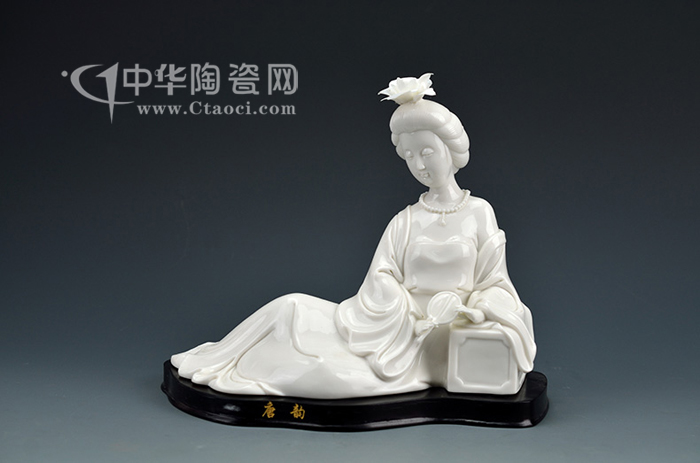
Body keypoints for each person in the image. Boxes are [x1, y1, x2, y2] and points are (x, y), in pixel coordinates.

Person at [171, 74, 536, 399]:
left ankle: (267, 364)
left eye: (427, 152)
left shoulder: (478, 213)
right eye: (409, 156)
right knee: (291, 305)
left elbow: (496, 283)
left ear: (451, 150)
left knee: (334, 377)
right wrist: (405, 309)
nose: (420, 164)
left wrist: (475, 308)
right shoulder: (406, 221)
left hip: (438, 340)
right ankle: (225, 355)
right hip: (394, 329)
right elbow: (380, 278)